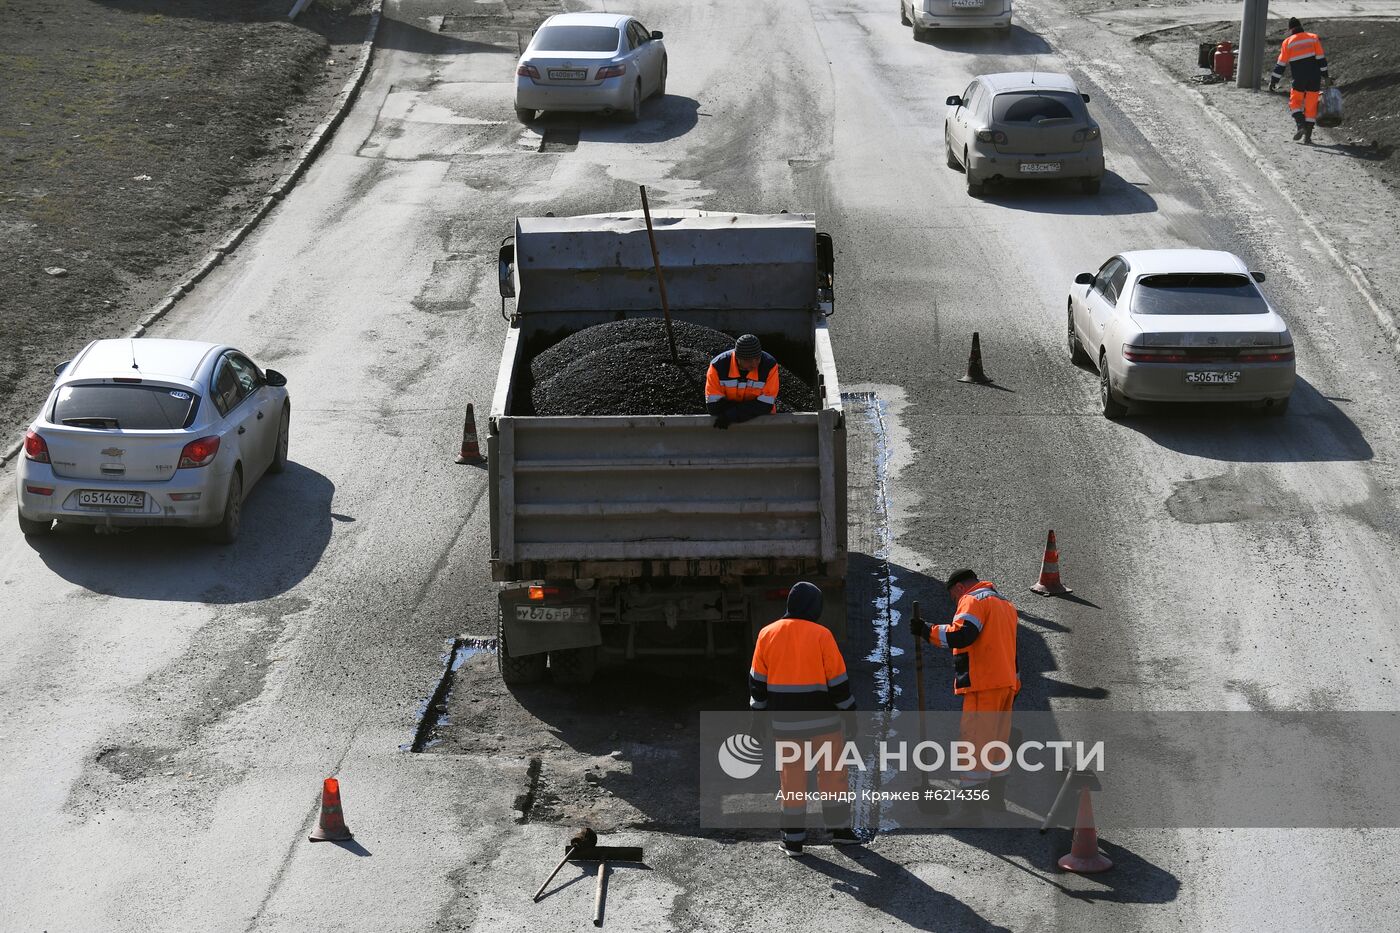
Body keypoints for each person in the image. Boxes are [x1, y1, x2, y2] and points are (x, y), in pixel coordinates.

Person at [749, 581, 859, 856]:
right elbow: (838, 682)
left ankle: (794, 840)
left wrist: (758, 719)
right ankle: (840, 831)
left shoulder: (767, 634)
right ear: (814, 607)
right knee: (833, 775)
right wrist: (850, 714)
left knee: (792, 780)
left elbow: (757, 683)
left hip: (786, 725)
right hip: (825, 724)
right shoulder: (822, 635)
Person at [910, 569, 1020, 805]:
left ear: (959, 588)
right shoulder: (1006, 605)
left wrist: (926, 630)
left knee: (975, 743)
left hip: (984, 684)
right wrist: (1015, 683)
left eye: (953, 597)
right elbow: (1011, 648)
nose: (956, 602)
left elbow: (963, 635)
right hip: (1007, 684)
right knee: (998, 743)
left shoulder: (971, 600)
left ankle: (971, 806)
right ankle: (995, 800)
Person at [1269, 17, 1330, 145]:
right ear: (1301, 26)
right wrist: (1326, 76)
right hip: (1315, 78)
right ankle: (1308, 137)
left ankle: (1300, 124)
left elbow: (1281, 65)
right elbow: (1321, 59)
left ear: (1290, 29)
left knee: (1295, 103)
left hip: (1299, 79)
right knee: (1311, 107)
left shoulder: (1287, 42)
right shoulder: (1313, 37)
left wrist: (1274, 81)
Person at [706, 333, 779, 429]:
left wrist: (730, 415)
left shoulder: (769, 366)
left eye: (757, 359)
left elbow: (765, 405)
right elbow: (713, 406)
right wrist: (750, 408)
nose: (754, 364)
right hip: (740, 422)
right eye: (749, 360)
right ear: (737, 358)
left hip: (763, 424)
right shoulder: (718, 366)